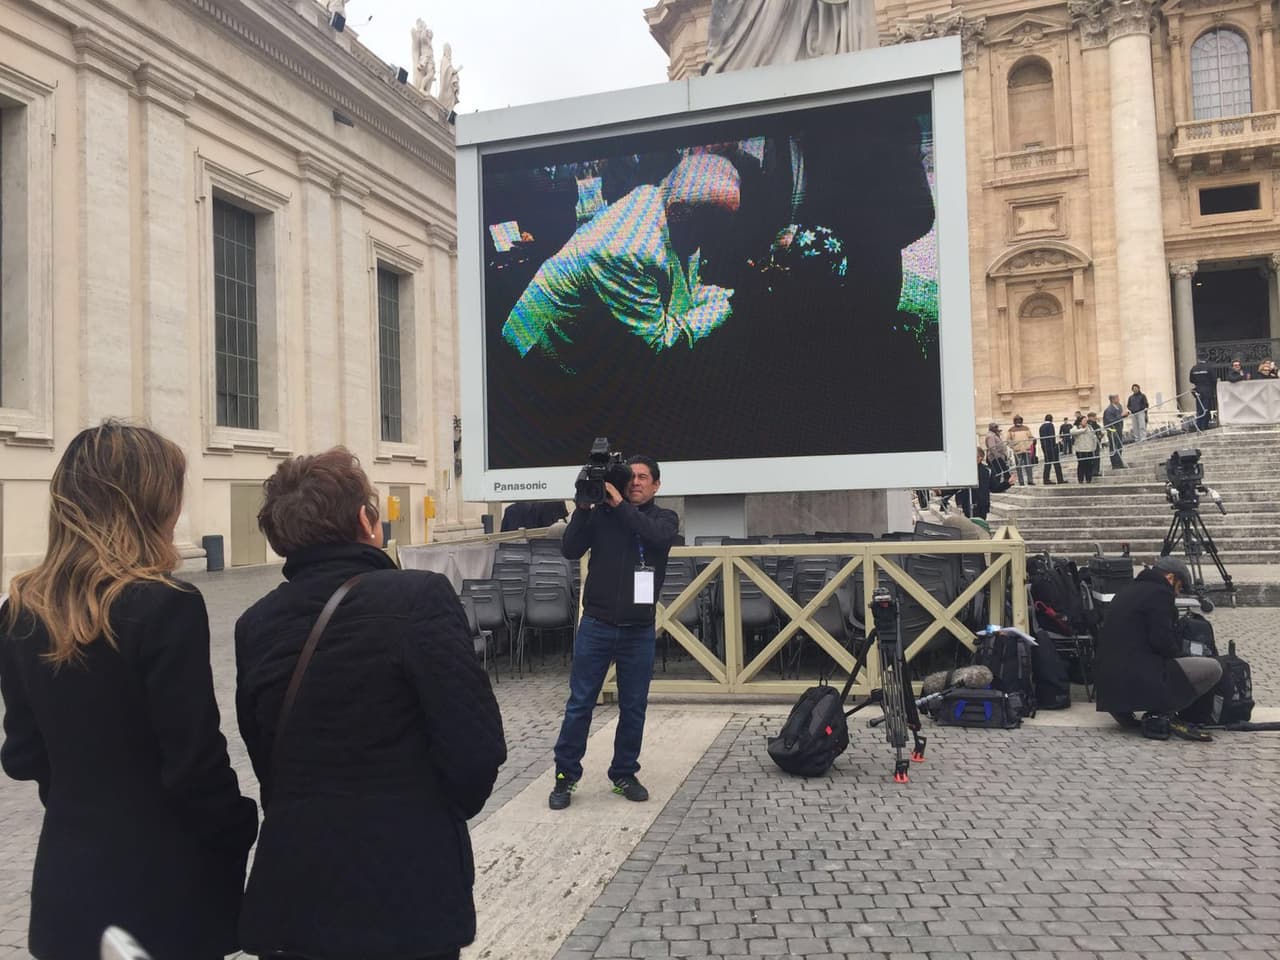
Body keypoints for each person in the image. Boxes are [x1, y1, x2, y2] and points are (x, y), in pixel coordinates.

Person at [0, 420, 258, 960]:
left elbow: (22, 754)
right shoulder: (165, 605)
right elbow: (193, 762)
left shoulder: (18, 610)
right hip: (160, 894)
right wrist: (238, 825)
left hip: (68, 885)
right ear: (148, 505)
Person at [235, 448, 506, 960]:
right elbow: (476, 749)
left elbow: (266, 756)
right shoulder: (419, 597)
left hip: (296, 892)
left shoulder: (255, 623)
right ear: (366, 519)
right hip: (404, 893)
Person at [502, 154, 743, 375]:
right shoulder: (630, 248)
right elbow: (660, 343)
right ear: (678, 211)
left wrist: (720, 296)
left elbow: (681, 292)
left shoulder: (660, 197)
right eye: (715, 226)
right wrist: (723, 308)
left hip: (586, 337)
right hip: (539, 345)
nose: (720, 236)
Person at [550, 455, 679, 809]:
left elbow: (656, 537)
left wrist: (620, 506)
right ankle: (565, 776)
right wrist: (583, 508)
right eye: (631, 477)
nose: (636, 482)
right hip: (597, 624)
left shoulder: (664, 518)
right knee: (579, 705)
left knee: (633, 707)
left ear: (656, 485)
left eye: (643, 477)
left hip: (637, 630)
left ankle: (623, 773)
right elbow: (569, 548)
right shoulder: (601, 515)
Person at [1094, 556, 1222, 741]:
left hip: (1109, 690)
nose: (1177, 594)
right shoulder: (1160, 594)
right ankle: (1160, 712)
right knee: (1213, 668)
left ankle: (1126, 712)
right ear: (1170, 578)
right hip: (1136, 678)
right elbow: (1163, 643)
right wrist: (1184, 653)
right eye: (1179, 587)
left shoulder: (1127, 590)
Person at [1189, 352, 1216, 431]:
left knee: (1199, 409)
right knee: (1206, 408)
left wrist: (1198, 383)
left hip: (1198, 391)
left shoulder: (1194, 368)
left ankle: (1199, 425)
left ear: (1198, 359)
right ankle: (1204, 426)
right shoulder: (1209, 367)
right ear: (1206, 358)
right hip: (1208, 390)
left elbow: (1191, 380)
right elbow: (1214, 379)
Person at [1007, 415, 1035, 487]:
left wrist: (1028, 445)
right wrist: (1014, 446)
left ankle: (1030, 480)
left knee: (1028, 466)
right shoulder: (1011, 430)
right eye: (1016, 420)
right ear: (1014, 421)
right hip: (1017, 451)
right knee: (1019, 467)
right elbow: (1008, 441)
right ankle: (1021, 481)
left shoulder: (1026, 428)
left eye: (1019, 420)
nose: (1018, 421)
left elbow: (1031, 438)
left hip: (1026, 450)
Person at [1069, 415, 1097, 483]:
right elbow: (1072, 432)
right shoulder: (1076, 427)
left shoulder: (1089, 427)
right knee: (1081, 465)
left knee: (1089, 465)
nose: (1085, 422)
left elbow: (1093, 436)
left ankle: (1088, 479)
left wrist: (1094, 446)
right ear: (1080, 421)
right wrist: (1083, 430)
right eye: (1084, 421)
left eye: (1086, 421)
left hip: (1089, 449)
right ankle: (1081, 479)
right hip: (1080, 450)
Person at [1103, 394, 1127, 469]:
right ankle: (1115, 464)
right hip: (1112, 430)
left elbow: (1119, 417)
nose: (1118, 399)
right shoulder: (1109, 410)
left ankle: (1119, 462)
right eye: (1117, 398)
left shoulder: (1119, 406)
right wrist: (1122, 416)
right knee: (1114, 447)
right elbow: (1110, 421)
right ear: (1112, 399)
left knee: (1119, 446)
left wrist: (1125, 415)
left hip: (1119, 429)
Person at [1039, 414, 1064, 484]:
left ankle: (1046, 479)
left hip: (1045, 447)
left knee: (1047, 463)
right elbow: (1051, 436)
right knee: (1056, 463)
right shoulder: (1050, 425)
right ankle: (1060, 479)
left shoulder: (1041, 426)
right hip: (1051, 447)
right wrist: (1054, 446)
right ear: (1051, 419)